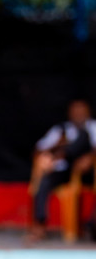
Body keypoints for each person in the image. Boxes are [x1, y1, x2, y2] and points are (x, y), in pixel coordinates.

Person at [29, 99, 96, 238]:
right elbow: (39, 149)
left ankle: (92, 224)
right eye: (75, 111)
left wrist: (90, 158)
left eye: (81, 111)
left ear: (88, 113)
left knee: (84, 135)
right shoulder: (61, 129)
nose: (78, 114)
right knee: (44, 182)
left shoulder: (93, 127)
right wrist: (57, 145)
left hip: (88, 171)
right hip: (64, 170)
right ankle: (40, 223)